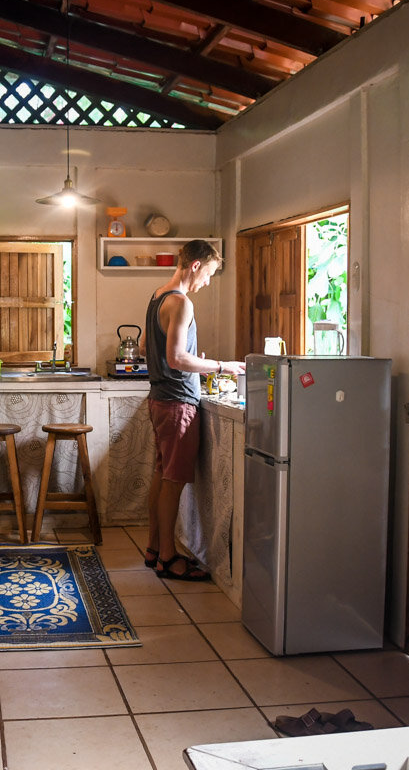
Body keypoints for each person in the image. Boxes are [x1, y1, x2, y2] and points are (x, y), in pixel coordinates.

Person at [143, 239, 245, 581]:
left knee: (162, 475)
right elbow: (177, 358)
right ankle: (169, 559)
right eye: (211, 273)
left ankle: (154, 547)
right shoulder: (181, 303)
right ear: (196, 265)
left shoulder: (158, 295)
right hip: (176, 403)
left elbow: (145, 344)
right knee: (172, 482)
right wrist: (221, 365)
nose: (208, 282)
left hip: (159, 398)